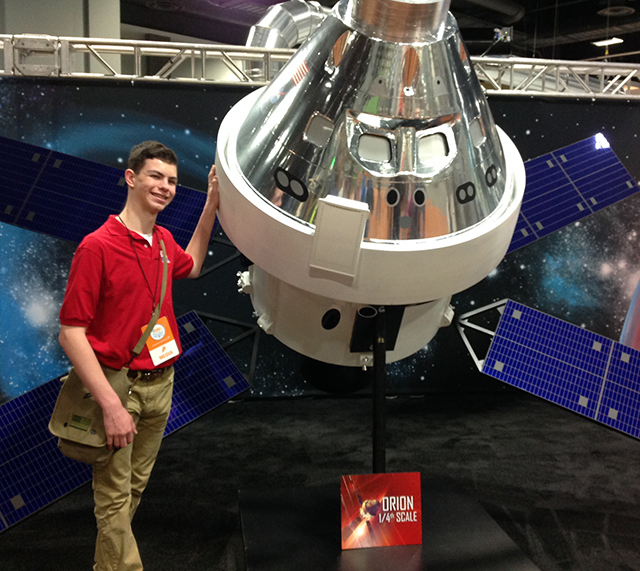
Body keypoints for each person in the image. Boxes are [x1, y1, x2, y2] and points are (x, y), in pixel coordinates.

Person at [58, 141, 219, 571]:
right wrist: (111, 407)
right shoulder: (98, 247)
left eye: (171, 180)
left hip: (160, 386)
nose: (165, 187)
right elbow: (71, 334)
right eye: (155, 176)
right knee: (113, 499)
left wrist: (211, 205)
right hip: (118, 389)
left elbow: (195, 265)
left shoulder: (164, 242)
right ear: (131, 178)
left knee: (130, 491)